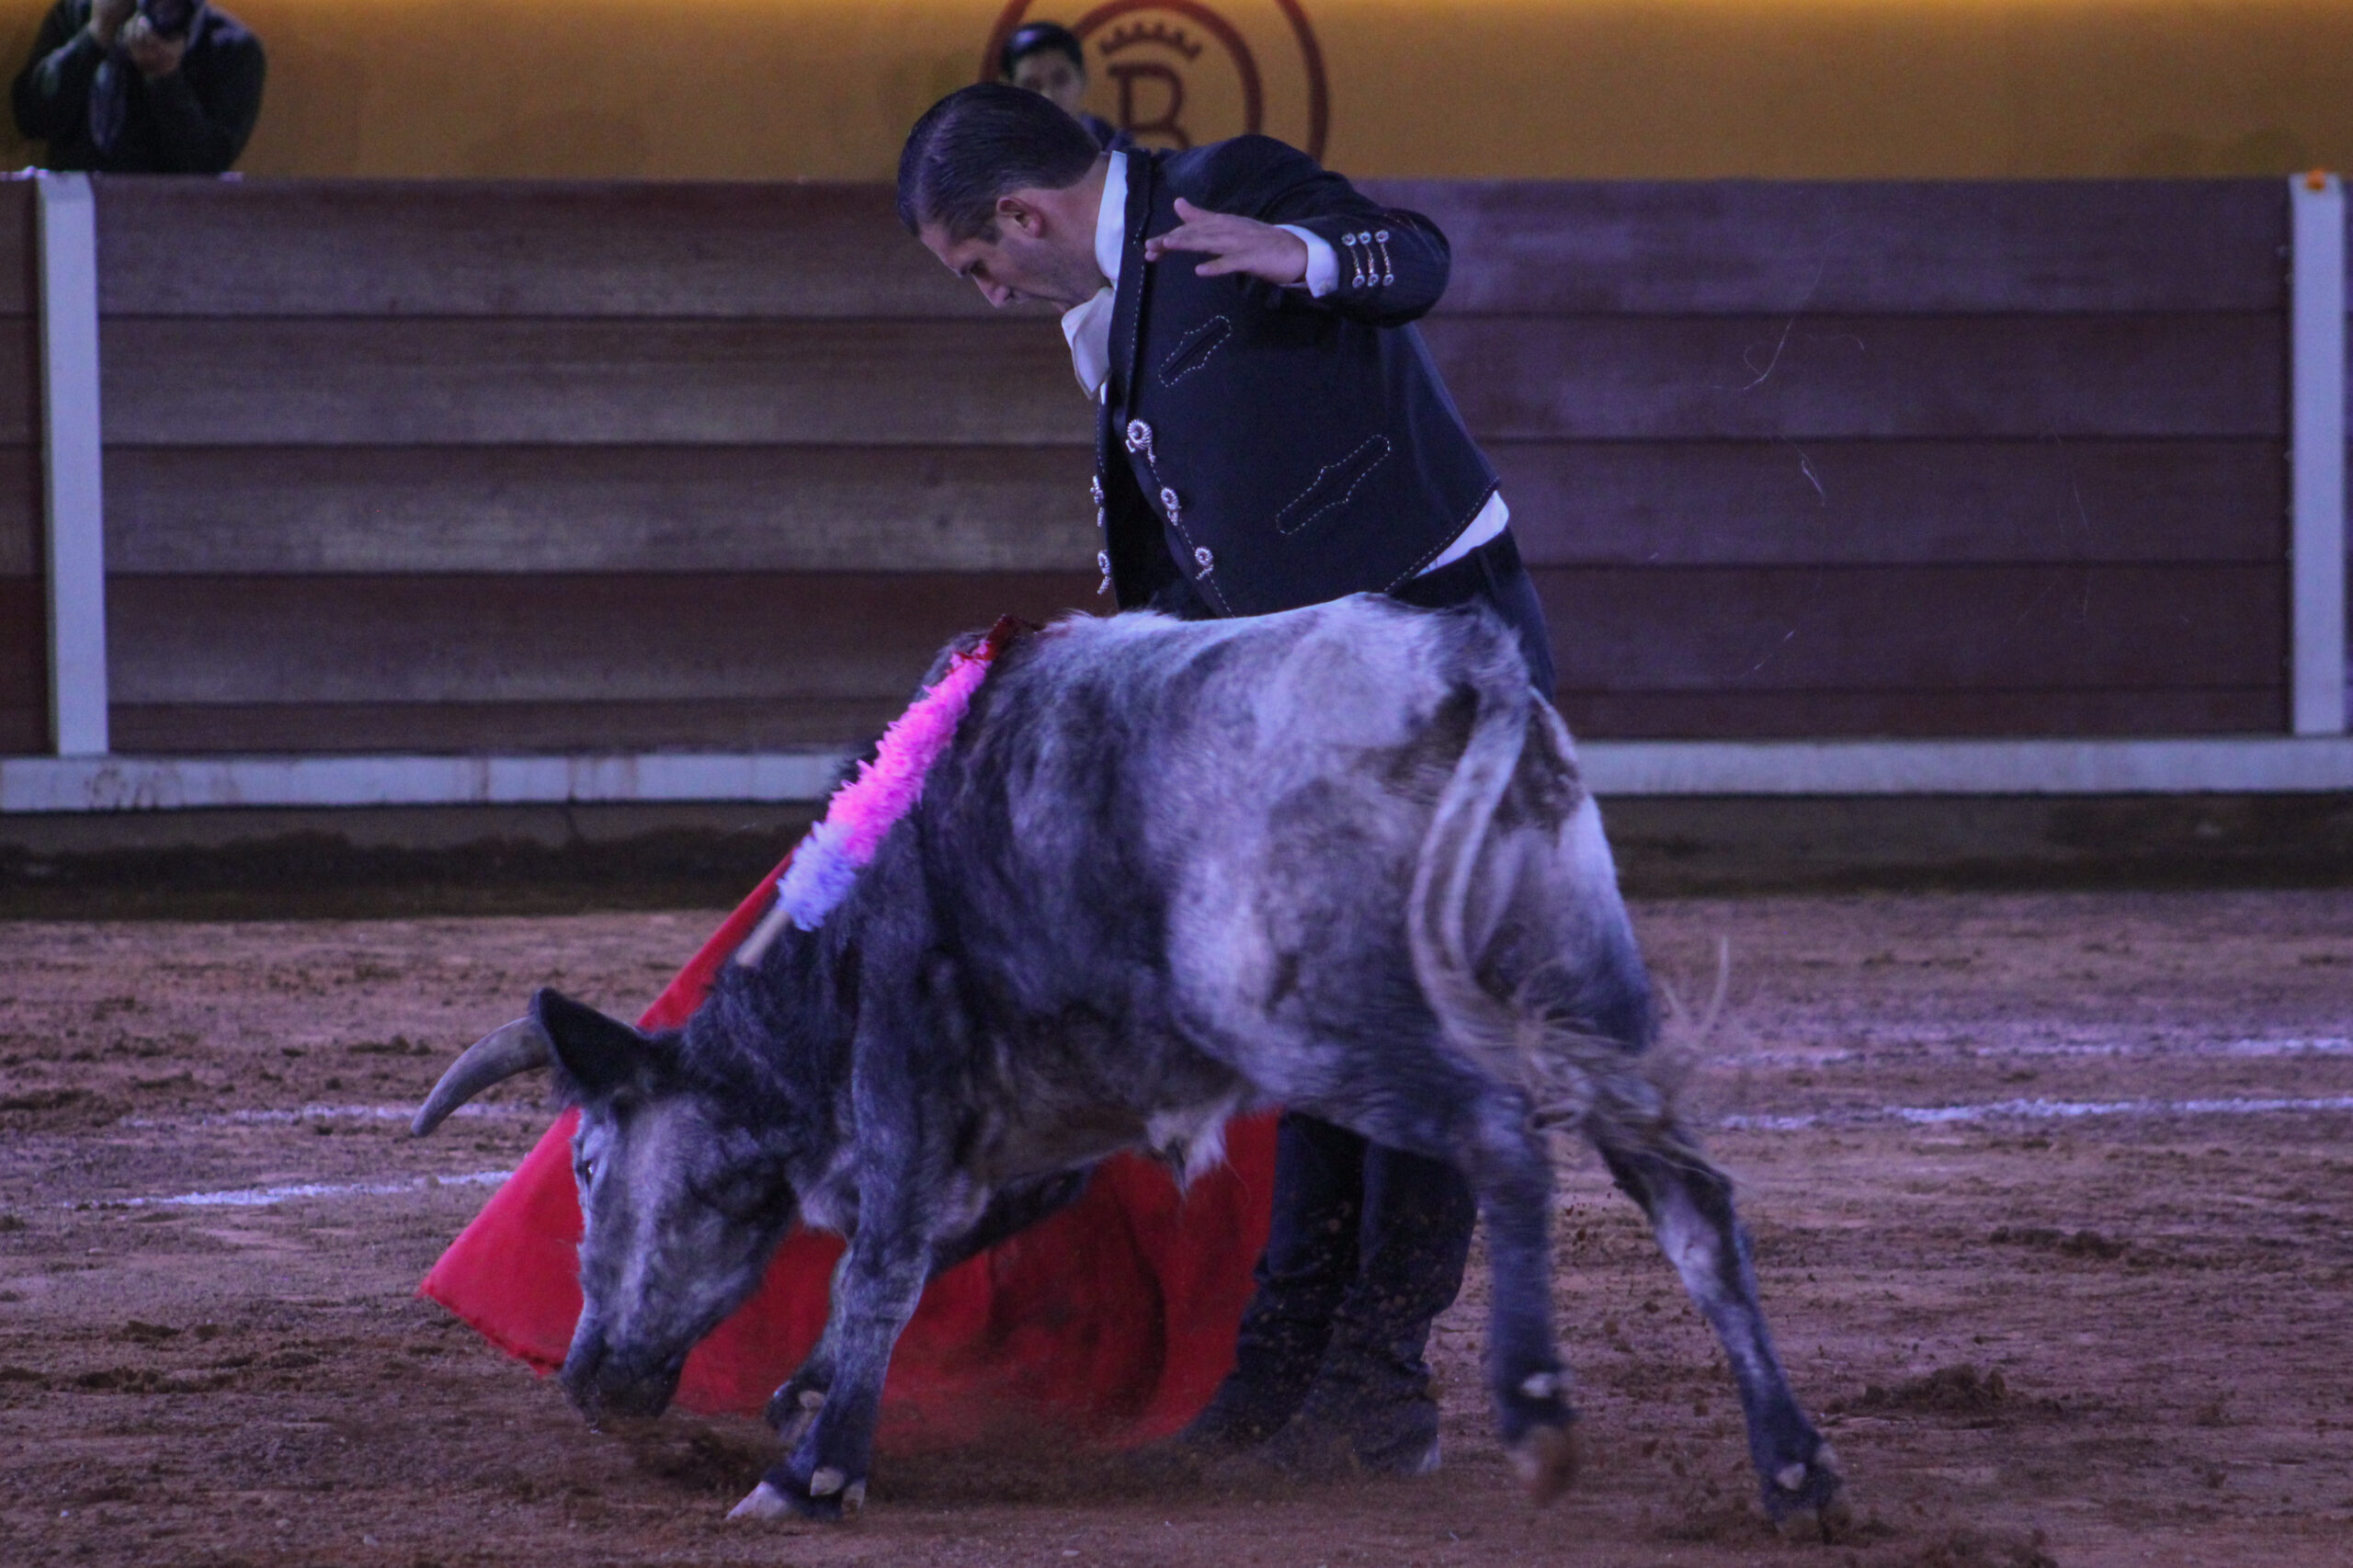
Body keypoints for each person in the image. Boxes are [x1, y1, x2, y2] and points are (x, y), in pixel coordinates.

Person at [897, 84, 1557, 1477]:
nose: (992, 295)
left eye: (979, 266)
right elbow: (1183, 566)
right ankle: (1282, 1368)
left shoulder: (1225, 184)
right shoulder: (1120, 316)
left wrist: (1308, 256)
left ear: (1023, 213)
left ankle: (1375, 1382)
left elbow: (1417, 258)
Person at [12, 0, 266, 174]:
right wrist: (95, 36)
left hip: (166, 224)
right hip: (74, 211)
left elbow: (206, 164)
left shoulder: (231, 48)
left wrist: (165, 78)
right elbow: (33, 119)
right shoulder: (78, 12)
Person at [998, 20, 1130, 153]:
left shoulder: (1120, 153)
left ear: (1083, 78)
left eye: (1060, 80)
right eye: (1031, 85)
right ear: (1011, 92)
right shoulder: (995, 157)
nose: (1048, 96)